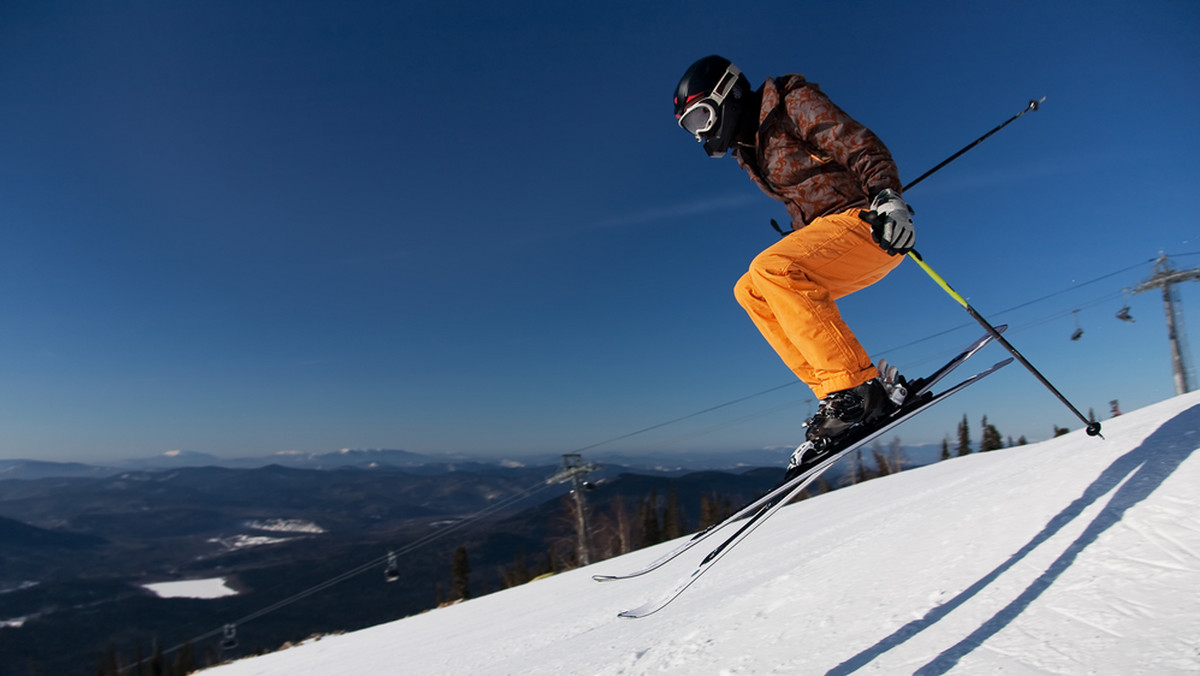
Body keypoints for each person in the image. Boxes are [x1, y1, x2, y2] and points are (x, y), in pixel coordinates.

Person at [673, 55, 916, 476]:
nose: (702, 135)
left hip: (869, 224)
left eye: (701, 118)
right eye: (691, 128)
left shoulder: (791, 103)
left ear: (727, 95)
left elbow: (856, 141)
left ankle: (854, 388)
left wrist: (886, 196)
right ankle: (836, 396)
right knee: (748, 289)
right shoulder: (749, 151)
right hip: (834, 238)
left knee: (770, 268)